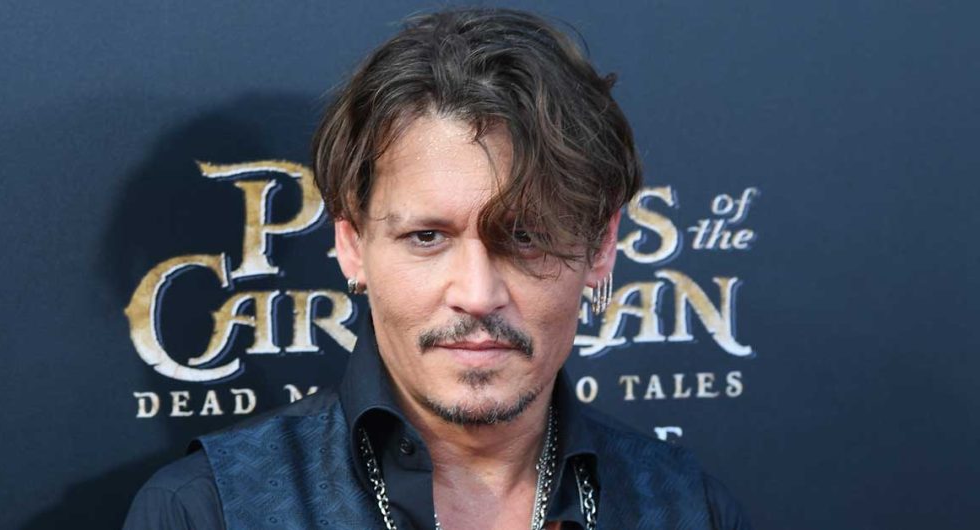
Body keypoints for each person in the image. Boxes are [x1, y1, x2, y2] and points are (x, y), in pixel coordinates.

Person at [123, 7, 751, 530]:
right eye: (427, 237)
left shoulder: (689, 510)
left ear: (601, 246)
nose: (477, 294)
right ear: (351, 243)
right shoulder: (206, 512)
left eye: (525, 238)